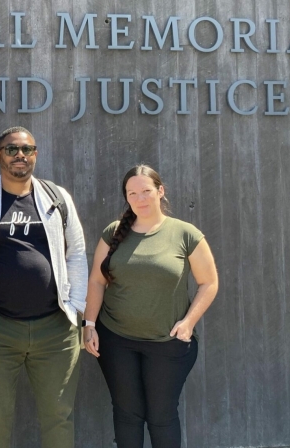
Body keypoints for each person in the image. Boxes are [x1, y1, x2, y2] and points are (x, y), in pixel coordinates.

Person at [0, 126, 89, 448]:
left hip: (55, 330)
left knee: (59, 415)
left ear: (35, 155)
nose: (20, 156)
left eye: (27, 150)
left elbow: (78, 251)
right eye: (11, 149)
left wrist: (77, 308)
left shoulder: (57, 198)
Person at [82, 164, 219, 448]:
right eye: (132, 193)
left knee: (161, 416)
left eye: (146, 191)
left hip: (167, 343)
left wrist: (189, 322)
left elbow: (209, 282)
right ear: (126, 197)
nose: (140, 199)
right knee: (127, 414)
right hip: (116, 341)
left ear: (160, 191)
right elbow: (96, 281)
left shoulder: (185, 233)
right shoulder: (113, 232)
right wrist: (90, 325)